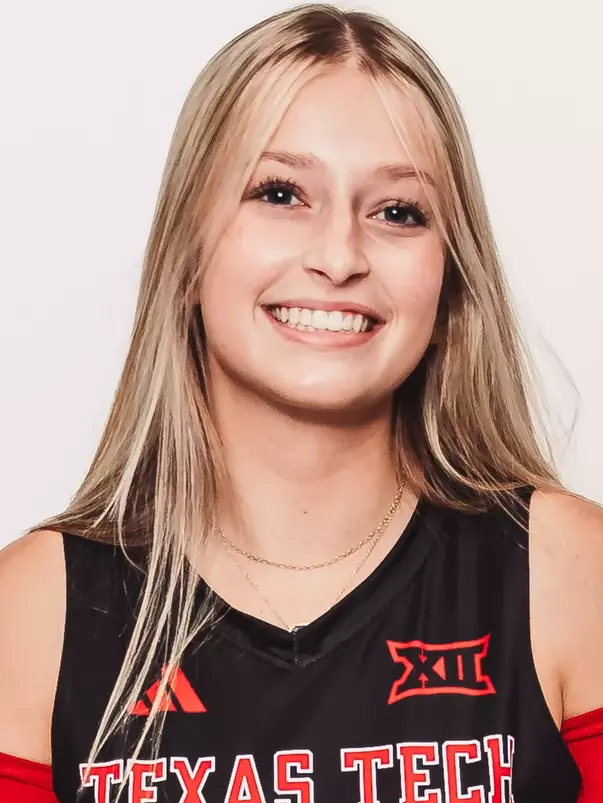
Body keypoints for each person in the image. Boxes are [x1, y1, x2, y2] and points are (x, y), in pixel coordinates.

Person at [1, 3, 602, 802]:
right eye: (280, 193)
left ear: (449, 277)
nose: (339, 255)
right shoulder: (34, 609)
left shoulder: (569, 574)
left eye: (398, 211)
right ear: (185, 253)